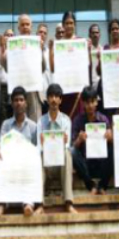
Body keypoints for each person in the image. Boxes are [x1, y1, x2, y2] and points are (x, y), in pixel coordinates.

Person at [0, 86, 38, 218]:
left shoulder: (33, 126)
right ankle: (2, 204)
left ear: (26, 103)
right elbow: (2, 145)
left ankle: (28, 204)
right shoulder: (6, 125)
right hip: (10, 163)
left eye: (21, 100)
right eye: (16, 100)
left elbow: (35, 149)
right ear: (12, 103)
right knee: (0, 161)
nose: (19, 103)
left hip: (26, 164)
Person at [36, 83, 77, 214]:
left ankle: (68, 202)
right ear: (47, 99)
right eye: (51, 96)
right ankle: (39, 204)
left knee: (67, 153)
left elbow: (67, 145)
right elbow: (38, 147)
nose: (54, 99)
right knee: (38, 156)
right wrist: (43, 144)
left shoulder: (66, 121)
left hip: (60, 166)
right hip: (46, 166)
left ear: (60, 100)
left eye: (56, 96)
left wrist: (62, 143)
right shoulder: (41, 121)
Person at [71, 86, 113, 195]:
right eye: (87, 102)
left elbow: (111, 141)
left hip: (102, 162)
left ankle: (102, 185)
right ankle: (91, 185)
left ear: (97, 102)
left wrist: (110, 138)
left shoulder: (103, 119)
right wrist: (79, 140)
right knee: (72, 152)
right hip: (86, 164)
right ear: (83, 103)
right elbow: (73, 146)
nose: (90, 105)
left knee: (113, 149)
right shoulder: (78, 120)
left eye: (93, 101)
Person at [49, 11, 85, 117]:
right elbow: (53, 68)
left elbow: (85, 66)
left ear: (75, 24)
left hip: (77, 90)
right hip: (64, 89)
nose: (69, 26)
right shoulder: (58, 44)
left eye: (71, 23)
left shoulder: (80, 42)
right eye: (67, 23)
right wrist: (51, 50)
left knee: (78, 119)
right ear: (63, 25)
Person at [14, 15, 45, 122]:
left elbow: (43, 68)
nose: (25, 27)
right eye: (22, 25)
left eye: (27, 24)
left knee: (35, 123)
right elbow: (7, 67)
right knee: (19, 124)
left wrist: (40, 50)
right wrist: (4, 48)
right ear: (18, 28)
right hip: (18, 89)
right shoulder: (13, 44)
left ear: (31, 27)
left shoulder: (37, 43)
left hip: (34, 90)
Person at [89, 24, 102, 90]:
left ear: (100, 35)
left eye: (97, 32)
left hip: (100, 85)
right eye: (93, 33)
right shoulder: (86, 50)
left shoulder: (103, 50)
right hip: (89, 84)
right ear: (89, 35)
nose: (95, 35)